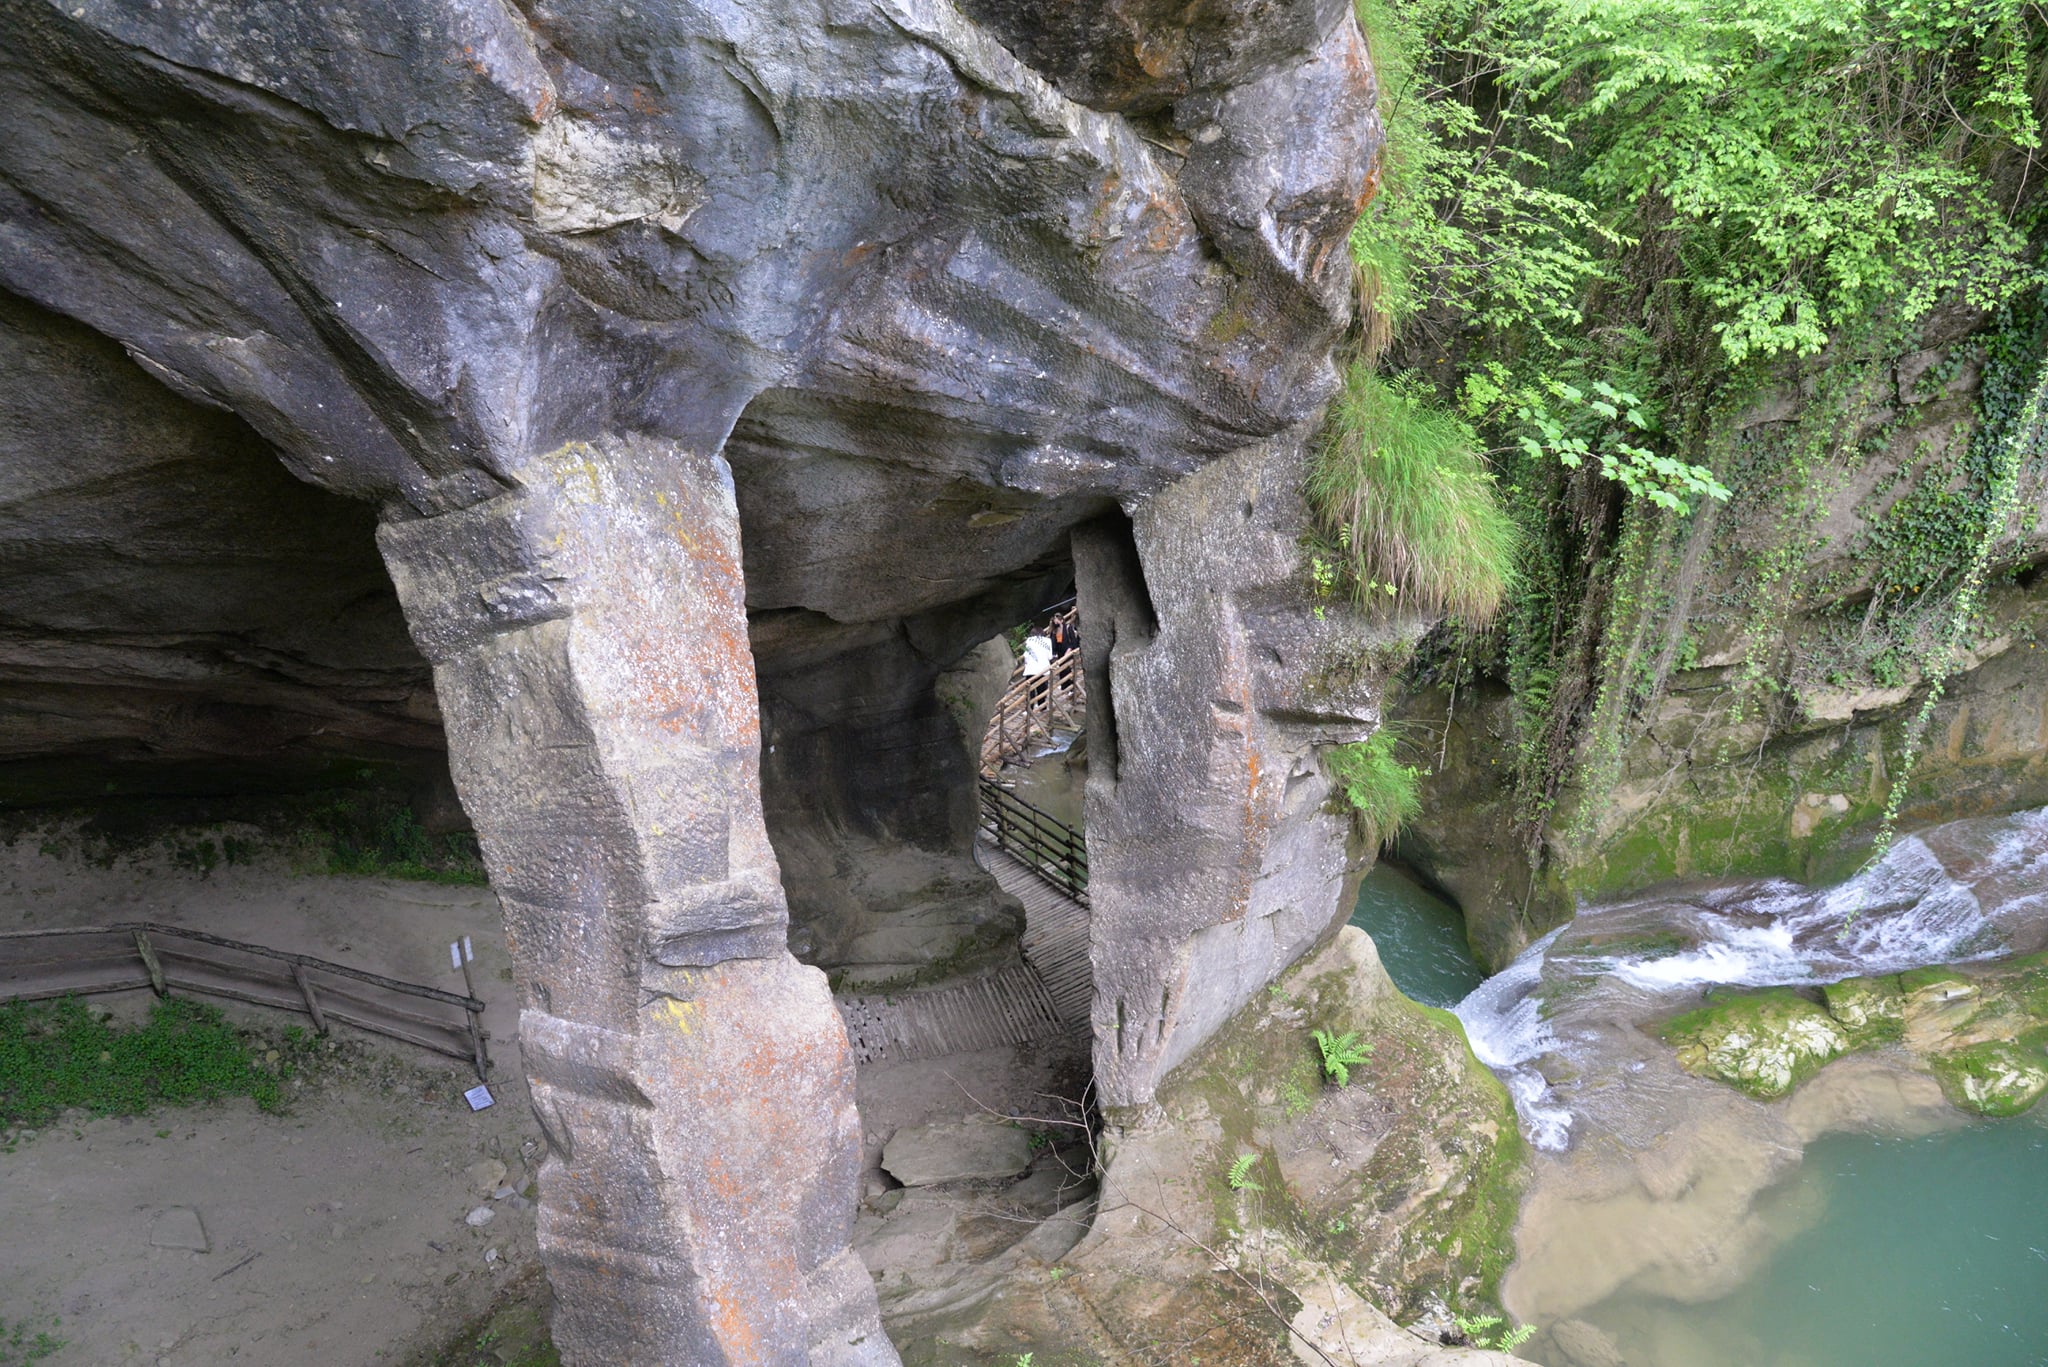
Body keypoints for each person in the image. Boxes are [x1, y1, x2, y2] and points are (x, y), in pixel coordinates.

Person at [1021, 631, 1053, 710]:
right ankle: (1042, 707)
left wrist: (1026, 663)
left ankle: (1029, 708)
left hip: (1031, 669)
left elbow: (1026, 655)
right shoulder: (1048, 641)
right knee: (1042, 688)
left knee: (1030, 690)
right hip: (1043, 669)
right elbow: (1050, 656)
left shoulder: (1029, 640)